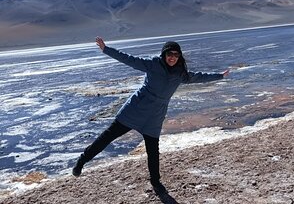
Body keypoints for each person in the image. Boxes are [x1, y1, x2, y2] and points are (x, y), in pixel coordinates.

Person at [72, 37, 229, 195]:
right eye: (170, 54)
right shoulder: (153, 64)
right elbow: (129, 59)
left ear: (179, 56)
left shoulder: (181, 74)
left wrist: (220, 76)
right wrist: (106, 49)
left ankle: (155, 181)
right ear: (164, 54)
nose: (173, 57)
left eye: (176, 54)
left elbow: (199, 77)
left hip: (155, 116)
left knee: (153, 151)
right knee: (107, 137)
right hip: (135, 109)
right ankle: (82, 160)